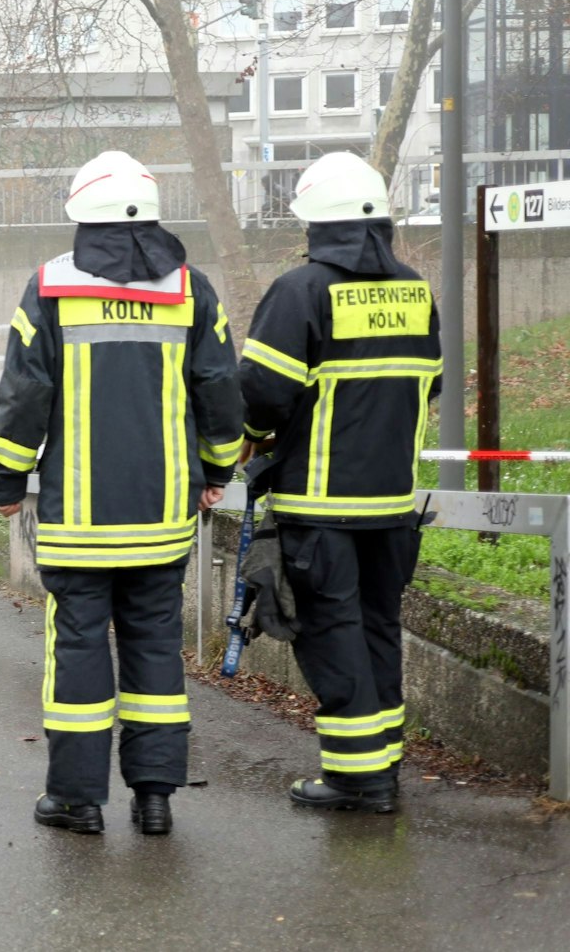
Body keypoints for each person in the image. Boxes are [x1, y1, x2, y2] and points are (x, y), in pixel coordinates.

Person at [0, 151, 243, 837]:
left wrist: (7, 481)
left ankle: (77, 799)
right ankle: (155, 797)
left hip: (78, 523)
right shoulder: (191, 288)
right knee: (156, 648)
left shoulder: (49, 287)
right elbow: (219, 386)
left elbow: (23, 396)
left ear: (79, 215)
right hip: (162, 521)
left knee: (78, 652)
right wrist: (218, 470)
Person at [238, 152, 440, 814]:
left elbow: (262, 396)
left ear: (315, 226)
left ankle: (358, 779)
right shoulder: (416, 291)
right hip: (394, 506)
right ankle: (383, 766)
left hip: (320, 506)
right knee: (380, 628)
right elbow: (429, 384)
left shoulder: (301, 292)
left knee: (332, 630)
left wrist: (257, 438)